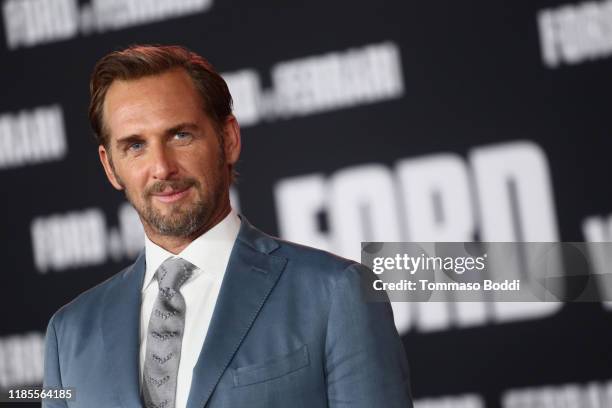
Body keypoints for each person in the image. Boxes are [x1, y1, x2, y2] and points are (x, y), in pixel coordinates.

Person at [43, 45, 412, 408]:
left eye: (180, 135)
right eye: (136, 145)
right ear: (110, 167)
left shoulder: (336, 294)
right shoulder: (68, 335)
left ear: (229, 139)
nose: (162, 167)